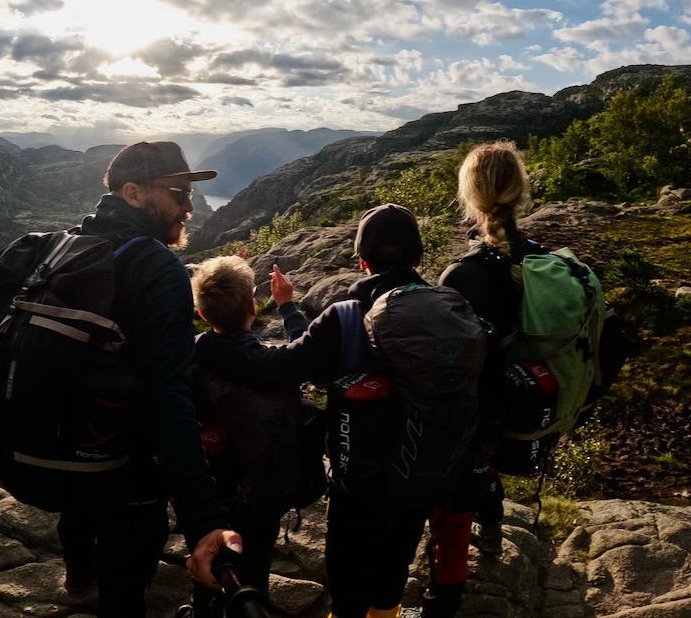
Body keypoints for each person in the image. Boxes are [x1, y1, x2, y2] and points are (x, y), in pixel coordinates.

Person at [194, 204, 471, 618]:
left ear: (362, 261)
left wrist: (204, 344)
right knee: (394, 560)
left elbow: (280, 367)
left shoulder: (344, 316)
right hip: (423, 468)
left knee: (349, 571)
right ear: (418, 259)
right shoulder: (450, 313)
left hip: (357, 475)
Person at [59, 141, 242, 617]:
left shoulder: (68, 247)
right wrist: (203, 519)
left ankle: (78, 575)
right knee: (126, 579)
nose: (188, 205)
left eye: (190, 194)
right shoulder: (158, 268)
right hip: (124, 466)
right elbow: (170, 394)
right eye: (178, 191)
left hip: (65, 447)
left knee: (81, 515)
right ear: (133, 193)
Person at [187, 255, 311, 616]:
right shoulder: (273, 363)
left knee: (206, 551)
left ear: (202, 314)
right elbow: (308, 349)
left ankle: (205, 608)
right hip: (262, 491)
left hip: (210, 485)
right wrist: (287, 306)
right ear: (251, 306)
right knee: (255, 556)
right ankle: (250, 604)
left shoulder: (190, 355)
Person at [437, 140, 544, 557]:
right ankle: (493, 526)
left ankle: (451, 574)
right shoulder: (542, 261)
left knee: (459, 484)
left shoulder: (463, 274)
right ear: (520, 192)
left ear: (470, 196)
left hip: (478, 408)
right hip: (527, 397)